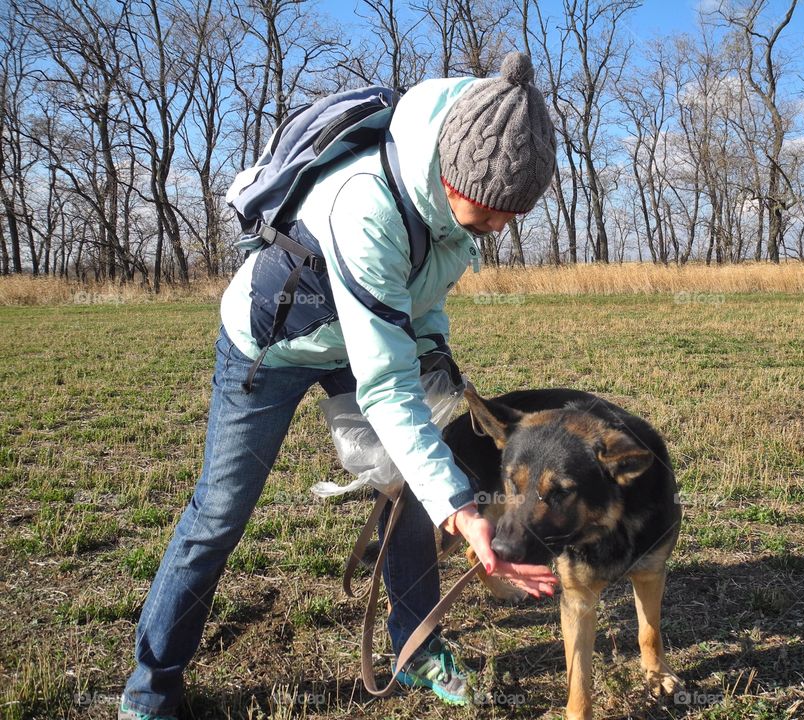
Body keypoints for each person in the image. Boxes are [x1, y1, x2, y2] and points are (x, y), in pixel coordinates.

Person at [118, 51, 559, 720]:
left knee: (408, 489)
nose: (501, 226)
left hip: (359, 338)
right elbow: (387, 388)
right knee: (218, 516)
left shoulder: (453, 203)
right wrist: (464, 511)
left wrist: (437, 357)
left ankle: (414, 648)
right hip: (272, 347)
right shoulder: (367, 205)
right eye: (494, 210)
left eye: (514, 213)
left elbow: (420, 300)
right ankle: (149, 690)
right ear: (451, 173)